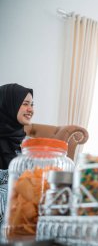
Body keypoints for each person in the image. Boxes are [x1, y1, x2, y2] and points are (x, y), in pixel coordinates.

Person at [0, 83, 34, 225]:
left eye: (32, 104)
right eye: (25, 104)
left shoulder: (30, 144)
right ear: (7, 105)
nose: (30, 109)